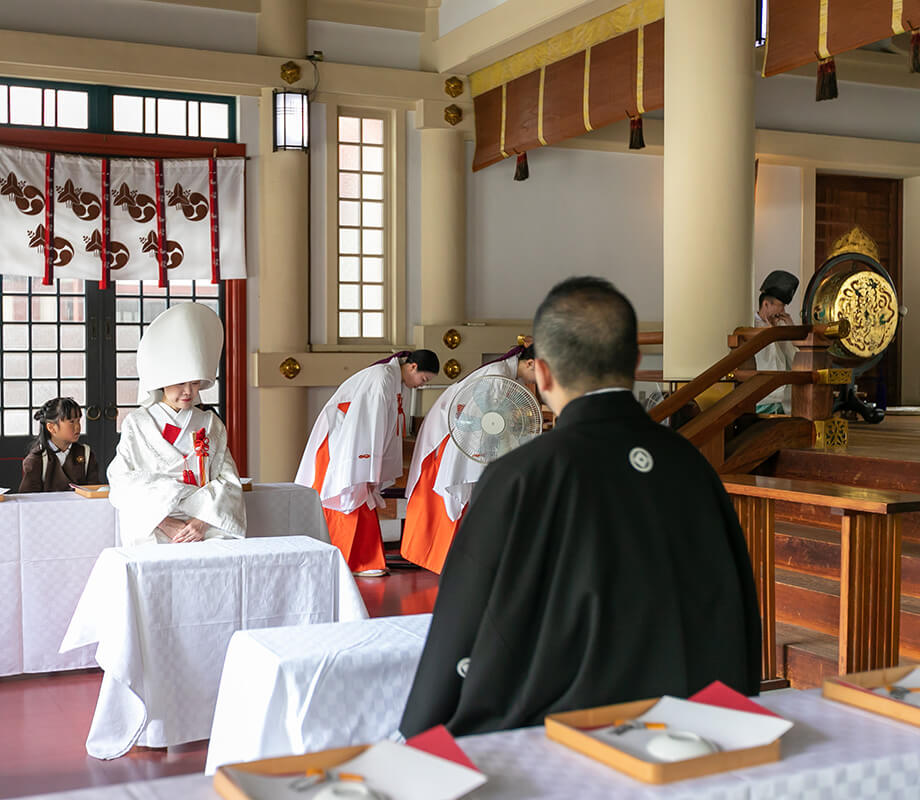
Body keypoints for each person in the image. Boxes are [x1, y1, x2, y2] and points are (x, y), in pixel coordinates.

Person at [399, 277, 760, 738]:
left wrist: (422, 729)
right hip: (692, 738)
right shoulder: (693, 467)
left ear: (542, 373)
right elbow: (734, 607)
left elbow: (464, 628)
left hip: (566, 742)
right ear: (634, 362)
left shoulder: (520, 478)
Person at [106, 302, 246, 547]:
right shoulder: (138, 423)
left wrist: (201, 522)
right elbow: (121, 479)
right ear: (162, 381)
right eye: (181, 383)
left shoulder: (210, 423)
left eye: (194, 383)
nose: (189, 392)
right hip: (155, 522)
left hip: (206, 523)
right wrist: (165, 521)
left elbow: (228, 480)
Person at [295, 350, 439, 576]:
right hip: (343, 443)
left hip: (354, 440)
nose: (421, 384)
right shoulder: (381, 378)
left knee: (359, 497)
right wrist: (368, 463)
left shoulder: (393, 380)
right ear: (412, 367)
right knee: (345, 495)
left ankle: (362, 559)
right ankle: (343, 560)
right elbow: (367, 421)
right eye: (424, 379)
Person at [401, 342, 538, 574]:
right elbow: (478, 420)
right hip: (452, 442)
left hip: (459, 438)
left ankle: (451, 561)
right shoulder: (496, 376)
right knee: (450, 496)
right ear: (530, 363)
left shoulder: (504, 374)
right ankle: (445, 562)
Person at [18, 397, 101, 493]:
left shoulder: (86, 454)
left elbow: (95, 492)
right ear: (51, 427)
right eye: (71, 422)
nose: (78, 426)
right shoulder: (37, 459)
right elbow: (28, 500)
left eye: (78, 420)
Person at [754, 269, 800, 415]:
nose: (782, 310)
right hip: (760, 398)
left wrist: (791, 330)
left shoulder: (781, 326)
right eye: (780, 305)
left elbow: (795, 360)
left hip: (783, 400)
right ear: (766, 304)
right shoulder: (751, 325)